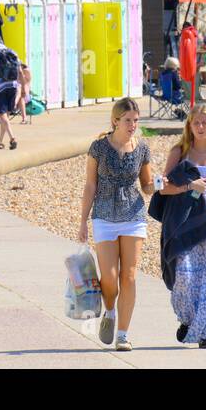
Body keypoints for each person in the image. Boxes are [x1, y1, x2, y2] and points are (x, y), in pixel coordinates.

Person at [78, 97, 154, 352]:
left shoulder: (142, 148)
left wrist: (158, 186)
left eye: (135, 120)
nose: (132, 125)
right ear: (115, 121)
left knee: (129, 276)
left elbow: (146, 185)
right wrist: (82, 221)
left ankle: (123, 334)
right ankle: (109, 311)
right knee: (109, 280)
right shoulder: (98, 147)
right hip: (104, 215)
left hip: (133, 215)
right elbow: (90, 185)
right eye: (127, 121)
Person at [161, 105, 206, 349]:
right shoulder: (180, 152)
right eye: (196, 123)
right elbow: (162, 186)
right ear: (189, 126)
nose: (201, 127)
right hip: (184, 222)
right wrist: (189, 186)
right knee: (183, 277)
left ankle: (205, 333)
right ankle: (187, 319)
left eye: (205, 122)